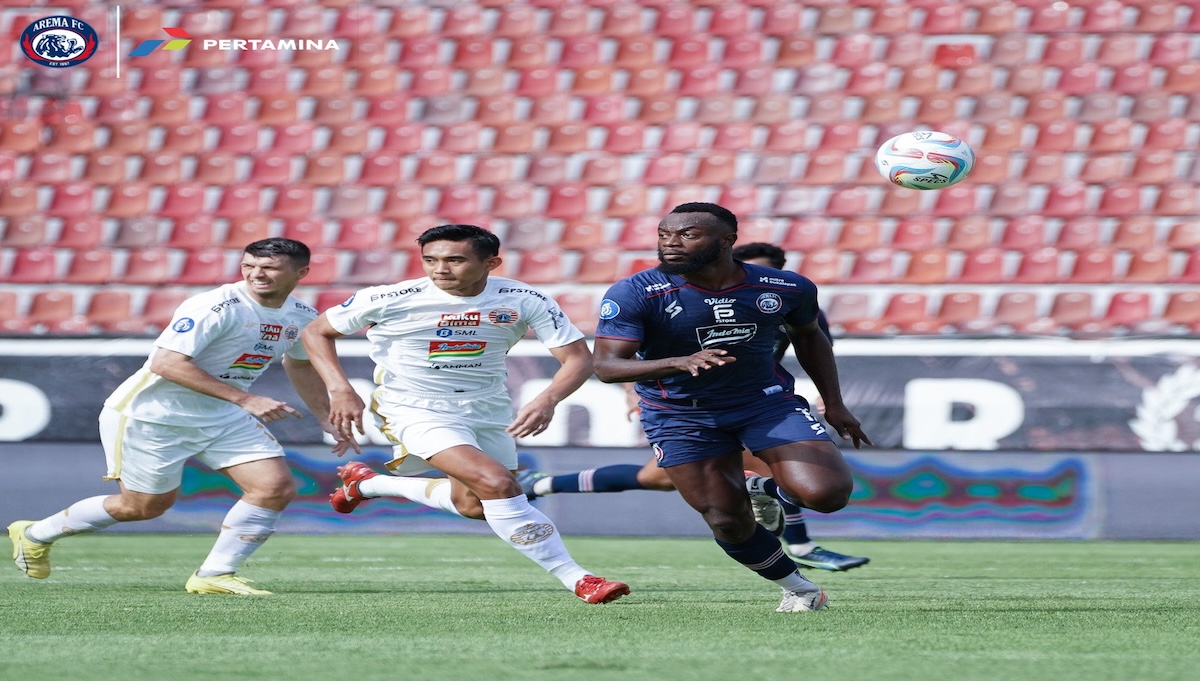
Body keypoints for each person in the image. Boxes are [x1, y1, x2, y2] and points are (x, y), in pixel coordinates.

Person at [300, 224, 630, 605]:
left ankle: (368, 485)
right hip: (414, 405)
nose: (440, 269)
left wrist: (548, 399)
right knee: (498, 484)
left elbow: (576, 358)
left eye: (454, 259)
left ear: (492, 262)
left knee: (474, 506)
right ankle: (579, 578)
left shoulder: (524, 298)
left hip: (487, 406)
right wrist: (341, 389)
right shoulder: (391, 297)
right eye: (430, 260)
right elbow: (316, 332)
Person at [8, 238, 357, 595]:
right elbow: (166, 363)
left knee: (274, 487)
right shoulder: (215, 306)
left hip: (221, 414)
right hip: (152, 416)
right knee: (141, 507)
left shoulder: (300, 317)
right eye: (249, 265)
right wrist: (245, 399)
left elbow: (298, 364)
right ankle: (35, 534)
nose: (257, 274)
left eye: (269, 267)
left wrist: (324, 416)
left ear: (301, 273)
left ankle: (214, 574)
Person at [518, 242, 869, 572]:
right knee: (658, 478)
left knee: (671, 478)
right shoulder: (664, 295)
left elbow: (814, 346)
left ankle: (544, 483)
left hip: (755, 400)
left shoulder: (786, 297)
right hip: (684, 405)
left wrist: (830, 398)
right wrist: (631, 391)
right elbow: (622, 355)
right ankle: (798, 541)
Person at [590, 203, 872, 612]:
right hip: (679, 414)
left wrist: (834, 403)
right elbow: (606, 366)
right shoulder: (635, 292)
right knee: (727, 520)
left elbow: (810, 337)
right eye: (665, 234)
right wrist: (678, 362)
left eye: (687, 235)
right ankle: (800, 588)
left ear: (727, 241)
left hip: (764, 403)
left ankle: (760, 488)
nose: (671, 243)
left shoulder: (786, 287)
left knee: (827, 495)